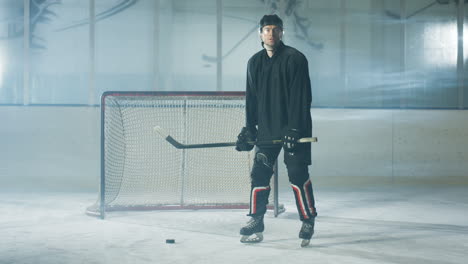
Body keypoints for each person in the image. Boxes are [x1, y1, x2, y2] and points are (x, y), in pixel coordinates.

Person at [235, 14, 317, 247]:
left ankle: (308, 219)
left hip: (295, 130)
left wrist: (294, 128)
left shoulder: (295, 59)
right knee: (259, 175)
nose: (271, 33)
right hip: (267, 130)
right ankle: (256, 220)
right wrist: (249, 129)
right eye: (267, 29)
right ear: (260, 33)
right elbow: (252, 99)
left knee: (297, 175)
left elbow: (301, 97)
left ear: (282, 32)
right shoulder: (254, 62)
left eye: (275, 29)